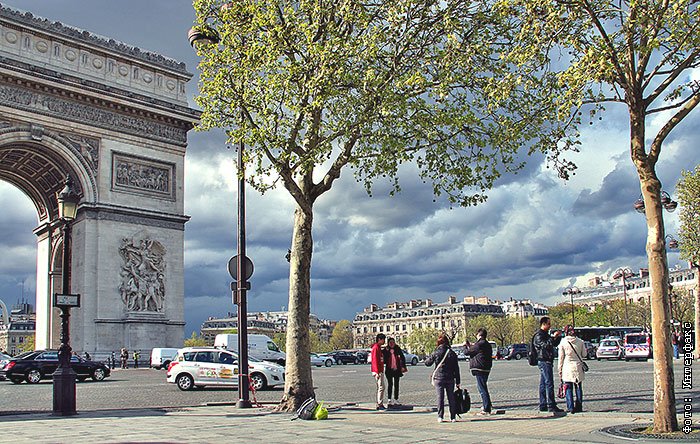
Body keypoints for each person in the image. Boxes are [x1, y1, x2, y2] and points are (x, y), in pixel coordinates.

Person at [425, 333, 461, 423]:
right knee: (451, 397)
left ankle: (440, 416)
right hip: (450, 378)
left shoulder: (436, 352)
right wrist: (458, 381)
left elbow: (427, 363)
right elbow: (456, 368)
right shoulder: (452, 353)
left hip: (439, 378)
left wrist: (428, 357)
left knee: (440, 397)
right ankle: (453, 417)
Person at [533, 316, 563, 412]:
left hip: (546, 360)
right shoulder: (539, 335)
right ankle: (551, 404)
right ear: (544, 324)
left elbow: (553, 344)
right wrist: (553, 337)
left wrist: (557, 337)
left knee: (543, 383)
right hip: (544, 360)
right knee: (549, 383)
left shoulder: (545, 334)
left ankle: (543, 404)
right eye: (549, 324)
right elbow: (545, 345)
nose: (550, 326)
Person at [558, 325, 586, 414]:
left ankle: (570, 407)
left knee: (568, 388)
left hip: (567, 367)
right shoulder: (580, 341)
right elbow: (584, 354)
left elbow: (561, 357)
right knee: (578, 387)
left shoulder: (563, 342)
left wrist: (560, 370)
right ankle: (579, 406)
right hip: (577, 366)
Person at [465, 327, 493, 415]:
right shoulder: (487, 344)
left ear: (479, 335)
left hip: (479, 368)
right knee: (483, 386)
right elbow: (475, 350)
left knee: (482, 388)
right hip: (486, 368)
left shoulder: (480, 344)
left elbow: (467, 352)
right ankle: (487, 404)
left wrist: (465, 346)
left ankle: (486, 408)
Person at [383, 337, 407, 405]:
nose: (392, 344)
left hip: (397, 369)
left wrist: (403, 366)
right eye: (390, 343)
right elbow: (384, 358)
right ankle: (389, 399)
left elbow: (402, 357)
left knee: (397, 385)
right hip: (389, 369)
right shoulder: (386, 349)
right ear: (388, 343)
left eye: (393, 342)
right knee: (390, 384)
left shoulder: (397, 348)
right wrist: (386, 351)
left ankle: (396, 399)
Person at [370, 333, 387, 410]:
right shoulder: (376, 348)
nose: (384, 341)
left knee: (381, 387)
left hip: (379, 370)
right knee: (381, 387)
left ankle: (380, 402)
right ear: (380, 339)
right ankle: (379, 403)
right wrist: (377, 372)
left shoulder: (378, 347)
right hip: (378, 370)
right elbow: (375, 360)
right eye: (383, 340)